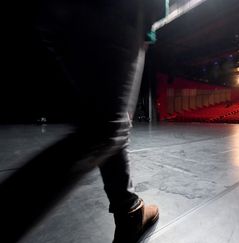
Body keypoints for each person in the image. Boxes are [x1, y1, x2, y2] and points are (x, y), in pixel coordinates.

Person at [0, 1, 165, 242]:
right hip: (119, 9)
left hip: (69, 13)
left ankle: (128, 210)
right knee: (104, 131)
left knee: (108, 120)